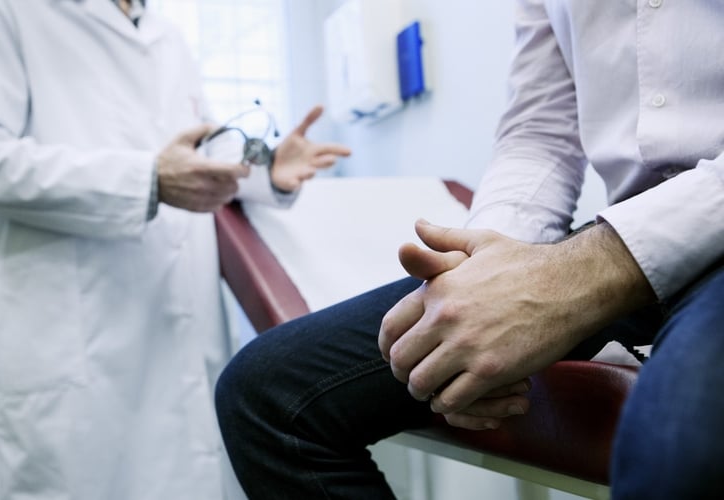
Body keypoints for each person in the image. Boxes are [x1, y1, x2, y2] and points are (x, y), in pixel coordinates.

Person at [215, 1, 724, 498]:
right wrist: (478, 277)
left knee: (683, 442)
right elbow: (539, 132)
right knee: (267, 396)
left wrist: (597, 265)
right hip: (618, 235)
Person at [0, 0, 350, 499]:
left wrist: (265, 170)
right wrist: (146, 178)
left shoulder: (167, 36)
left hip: (178, 321)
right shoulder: (5, 12)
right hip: (74, 335)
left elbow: (198, 159)